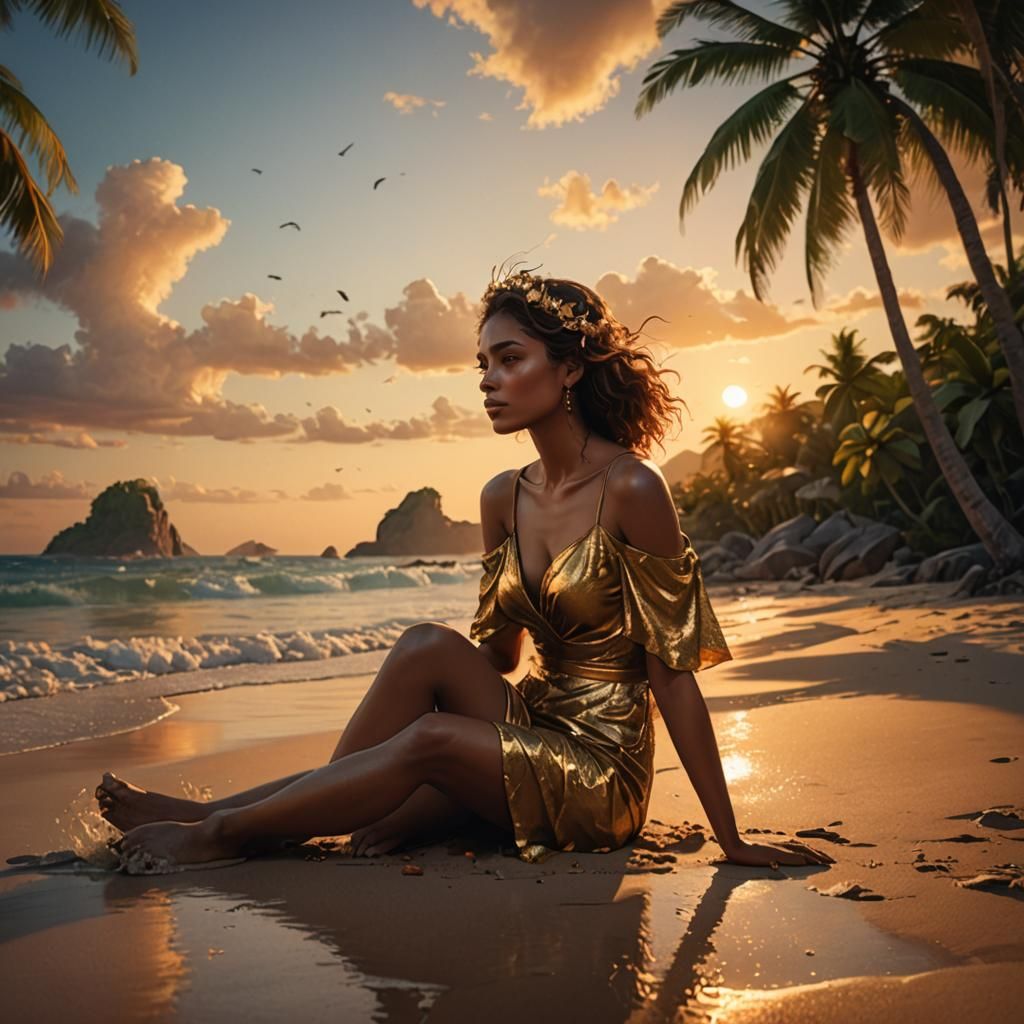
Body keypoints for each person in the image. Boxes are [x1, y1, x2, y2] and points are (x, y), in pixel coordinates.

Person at [95, 264, 833, 871]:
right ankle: (238, 815)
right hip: (532, 723)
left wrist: (731, 839)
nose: (487, 379)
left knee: (431, 744)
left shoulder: (634, 489)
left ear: (570, 368)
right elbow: (497, 659)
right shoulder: (499, 498)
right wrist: (404, 752)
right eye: (483, 362)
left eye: (509, 359)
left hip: (600, 772)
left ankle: (222, 833)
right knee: (423, 646)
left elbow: (671, 675)